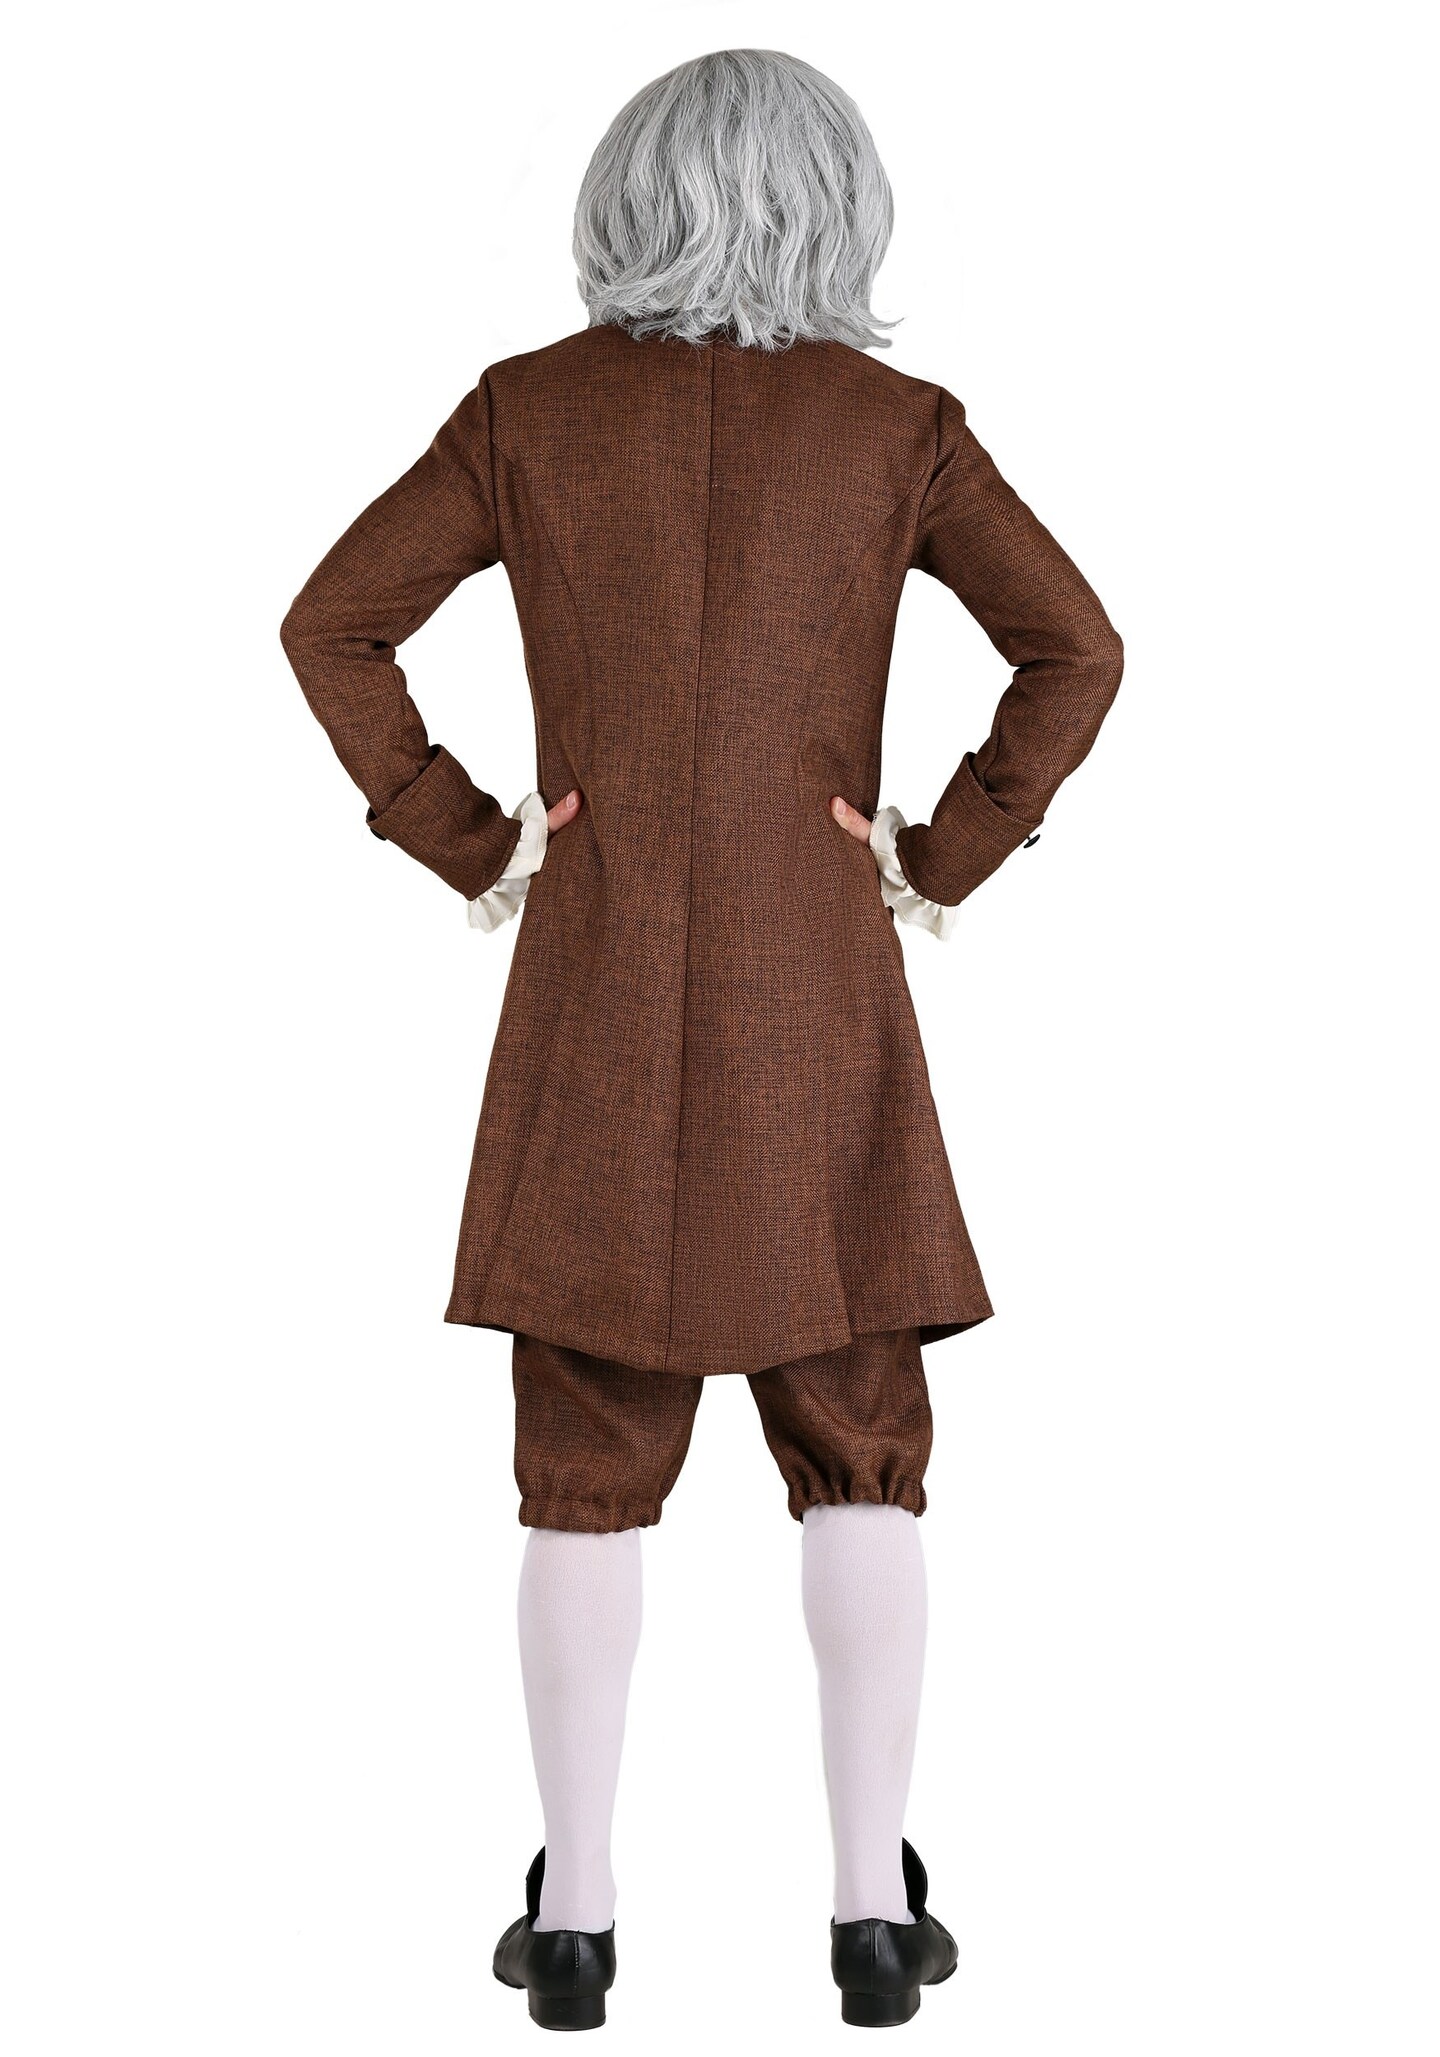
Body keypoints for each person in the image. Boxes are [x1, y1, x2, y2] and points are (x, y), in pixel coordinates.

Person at [280, 47, 1123, 2032]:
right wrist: (940, 853)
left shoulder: (528, 413)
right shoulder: (899, 430)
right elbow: (1077, 647)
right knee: (865, 1448)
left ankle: (575, 1914)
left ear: (628, 197)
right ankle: (869, 1911)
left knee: (582, 1462)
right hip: (816, 993)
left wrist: (475, 839)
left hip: (593, 985)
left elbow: (332, 622)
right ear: (836, 205)